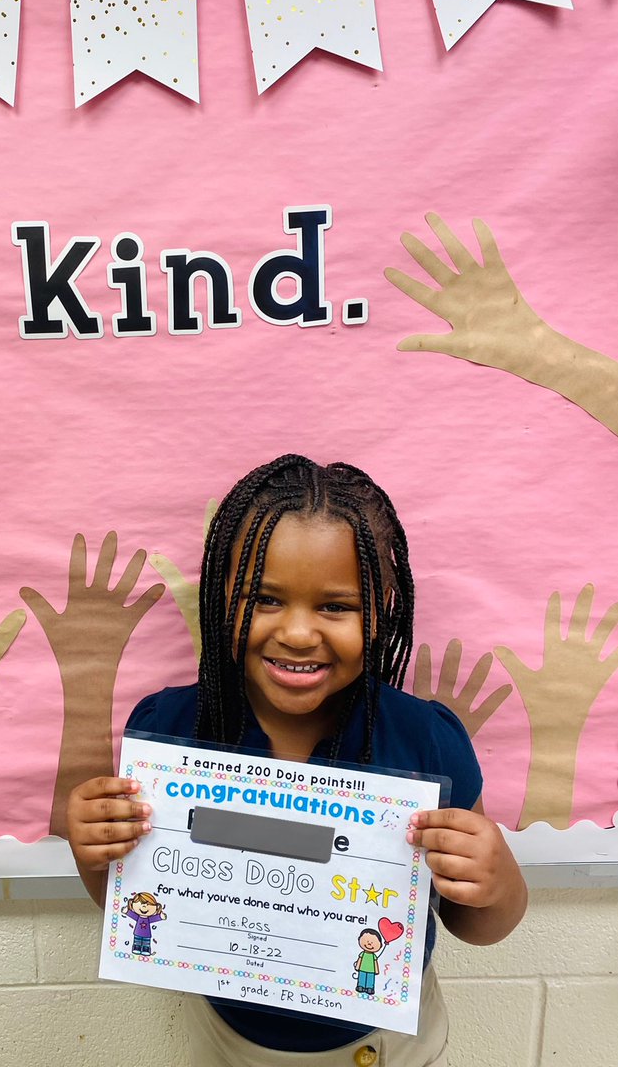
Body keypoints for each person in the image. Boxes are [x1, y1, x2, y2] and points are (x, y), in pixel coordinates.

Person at [67, 455, 527, 1066]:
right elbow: (142, 901)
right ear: (219, 596)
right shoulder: (168, 733)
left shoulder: (426, 743)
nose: (299, 633)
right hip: (228, 1044)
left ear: (384, 607)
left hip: (388, 1047)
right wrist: (96, 852)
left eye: (336, 607)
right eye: (264, 598)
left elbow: (482, 925)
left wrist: (493, 883)